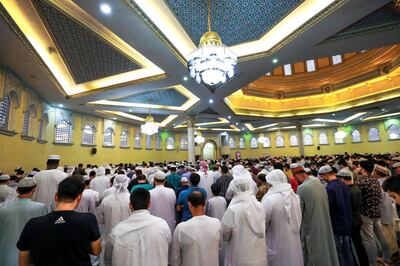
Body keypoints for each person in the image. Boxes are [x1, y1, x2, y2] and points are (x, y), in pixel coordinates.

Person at [17, 176, 101, 266]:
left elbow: (23, 258)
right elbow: (96, 251)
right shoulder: (88, 220)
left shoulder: (33, 224)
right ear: (79, 198)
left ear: (56, 196)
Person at [105, 188, 171, 266]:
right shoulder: (162, 225)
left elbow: (108, 259)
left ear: (130, 205)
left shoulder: (117, 231)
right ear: (150, 204)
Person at [292, 163, 339, 266]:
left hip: (311, 227)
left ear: (299, 176)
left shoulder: (302, 188)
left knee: (314, 254)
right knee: (327, 248)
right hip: (324, 222)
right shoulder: (319, 184)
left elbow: (299, 212)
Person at [221, 167, 267, 266]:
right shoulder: (259, 205)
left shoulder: (232, 210)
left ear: (234, 189)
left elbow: (224, 234)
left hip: (240, 256)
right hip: (259, 256)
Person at [0, 177, 47, 266]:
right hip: (28, 257)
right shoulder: (40, 207)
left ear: (17, 190)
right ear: (34, 190)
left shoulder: (2, 208)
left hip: (5, 255)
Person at [261, 169, 303, 266]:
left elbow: (263, 223)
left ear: (271, 183)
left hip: (276, 240)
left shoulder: (270, 199)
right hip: (293, 240)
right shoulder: (294, 196)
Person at [356, 160, 391, 266]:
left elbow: (356, 197)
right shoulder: (375, 180)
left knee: (368, 239)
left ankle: (372, 263)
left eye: (358, 167)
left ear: (362, 169)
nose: (357, 169)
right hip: (376, 212)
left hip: (366, 213)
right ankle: (387, 257)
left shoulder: (361, 181)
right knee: (381, 235)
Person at [172, 191, 221, 266]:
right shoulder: (217, 223)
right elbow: (219, 248)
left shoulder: (181, 228)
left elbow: (175, 258)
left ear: (189, 205)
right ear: (205, 203)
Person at [319, 166, 353, 266]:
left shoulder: (329, 189)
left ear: (325, 175)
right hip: (347, 223)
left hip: (337, 225)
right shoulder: (344, 185)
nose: (322, 179)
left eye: (322, 176)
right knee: (347, 251)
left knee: (339, 253)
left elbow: (328, 208)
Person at [336, 171, 369, 266]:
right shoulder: (356, 189)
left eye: (339, 179)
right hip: (358, 219)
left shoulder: (347, 191)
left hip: (351, 222)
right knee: (359, 244)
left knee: (354, 246)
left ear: (342, 179)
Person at [97, 174, 131, 242]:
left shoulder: (106, 200)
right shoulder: (132, 198)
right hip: (128, 237)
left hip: (110, 236)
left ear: (114, 183)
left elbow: (100, 220)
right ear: (127, 183)